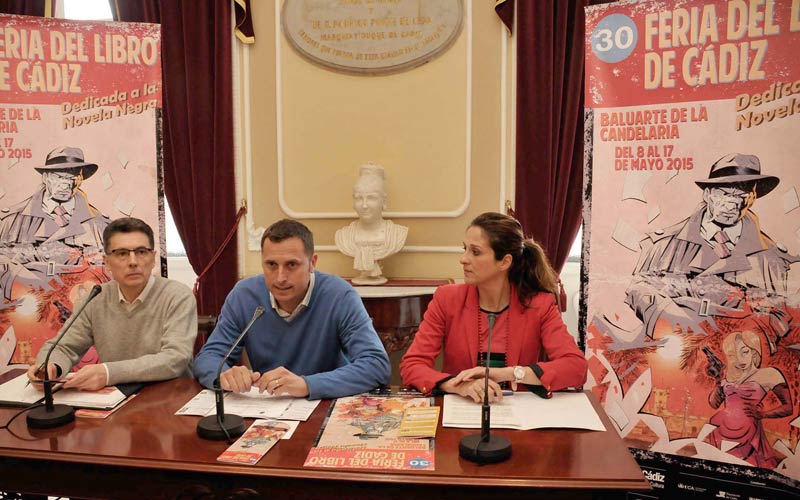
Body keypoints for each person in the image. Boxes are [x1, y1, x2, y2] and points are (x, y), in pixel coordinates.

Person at [400, 212, 587, 402]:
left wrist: (511, 373)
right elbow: (412, 365)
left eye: (475, 252)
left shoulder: (540, 304)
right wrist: (459, 386)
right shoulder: (447, 299)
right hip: (462, 410)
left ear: (505, 262)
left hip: (520, 413)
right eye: (465, 249)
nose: (463, 259)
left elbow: (576, 367)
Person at [194, 219, 390, 399]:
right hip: (267, 406)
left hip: (325, 403)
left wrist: (307, 384)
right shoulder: (244, 295)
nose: (280, 278)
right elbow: (208, 358)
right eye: (271, 264)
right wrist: (224, 376)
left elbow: (376, 365)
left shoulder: (340, 295)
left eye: (291, 265)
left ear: (312, 263)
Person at [625, 153, 798, 353]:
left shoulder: (770, 256)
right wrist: (666, 315)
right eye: (724, 193)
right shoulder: (665, 242)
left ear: (752, 198)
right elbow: (637, 288)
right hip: (672, 350)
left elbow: (779, 317)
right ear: (707, 194)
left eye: (741, 196)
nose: (732, 205)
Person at [27, 217, 198, 390]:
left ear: (153, 258)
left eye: (141, 252)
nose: (133, 262)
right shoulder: (96, 297)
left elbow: (176, 358)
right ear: (107, 262)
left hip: (169, 395)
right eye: (122, 253)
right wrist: (51, 367)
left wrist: (109, 373)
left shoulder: (177, 295)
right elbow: (63, 347)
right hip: (114, 397)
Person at [0, 146, 110, 299]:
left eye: (71, 178)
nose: (65, 185)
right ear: (45, 178)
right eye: (59, 177)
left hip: (80, 303)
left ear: (80, 179)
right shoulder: (12, 219)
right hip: (26, 302)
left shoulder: (100, 225)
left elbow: (111, 272)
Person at [706, 330, 792, 468]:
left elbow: (788, 407)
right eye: (733, 355)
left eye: (744, 352)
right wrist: (718, 379)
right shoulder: (729, 375)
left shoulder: (768, 374)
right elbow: (714, 404)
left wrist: (763, 414)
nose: (740, 360)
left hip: (748, 435)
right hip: (721, 430)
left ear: (754, 351)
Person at [335, 162, 408, 285]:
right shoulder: (343, 237)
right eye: (359, 198)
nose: (364, 205)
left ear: (383, 201)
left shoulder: (397, 234)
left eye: (371, 198)